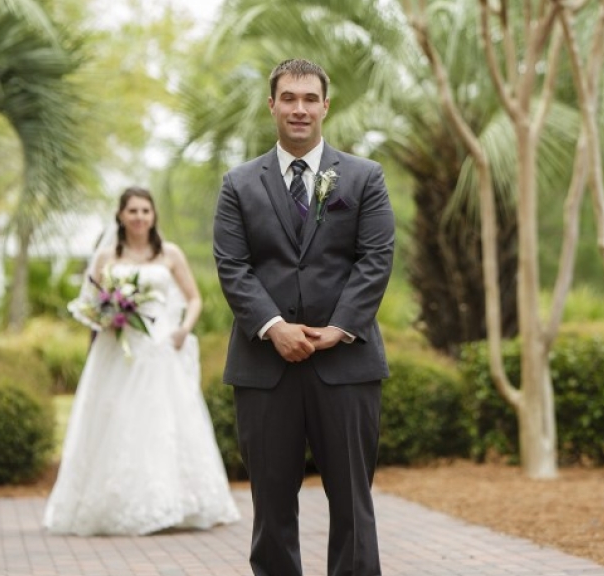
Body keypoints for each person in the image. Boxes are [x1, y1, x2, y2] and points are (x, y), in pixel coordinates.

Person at [212, 59, 395, 576]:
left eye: (309, 98)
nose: (299, 108)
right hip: (264, 368)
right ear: (271, 104)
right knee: (271, 508)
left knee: (354, 507)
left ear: (325, 106)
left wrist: (340, 327)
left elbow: (375, 258)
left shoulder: (364, 177)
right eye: (288, 98)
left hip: (347, 365)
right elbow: (233, 265)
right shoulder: (238, 183)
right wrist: (273, 327)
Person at [44, 186, 240, 536]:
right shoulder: (106, 257)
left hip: (161, 347)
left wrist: (183, 330)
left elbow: (194, 299)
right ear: (120, 216)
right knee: (117, 419)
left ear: (153, 216)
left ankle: (176, 503)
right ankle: (116, 503)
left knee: (165, 420)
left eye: (145, 211)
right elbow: (90, 303)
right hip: (118, 350)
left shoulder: (170, 254)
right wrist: (108, 317)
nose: (139, 217)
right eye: (132, 211)